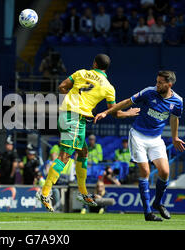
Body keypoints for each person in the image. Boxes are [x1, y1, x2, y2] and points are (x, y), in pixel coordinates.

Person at [36, 53, 140, 212]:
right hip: (76, 119)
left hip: (68, 116)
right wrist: (129, 113)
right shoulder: (108, 87)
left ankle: (83, 193)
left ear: (94, 63)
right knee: (64, 157)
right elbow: (114, 112)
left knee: (83, 152)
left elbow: (62, 87)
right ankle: (44, 192)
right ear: (106, 68)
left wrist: (68, 104)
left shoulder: (81, 72)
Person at [94, 70, 185, 222]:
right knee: (145, 170)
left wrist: (175, 137)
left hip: (156, 139)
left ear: (169, 84)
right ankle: (148, 212)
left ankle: (157, 203)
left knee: (164, 172)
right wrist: (106, 112)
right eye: (156, 81)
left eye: (160, 83)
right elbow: (127, 102)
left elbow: (174, 119)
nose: (157, 85)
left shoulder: (178, 101)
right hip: (138, 135)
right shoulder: (149, 92)